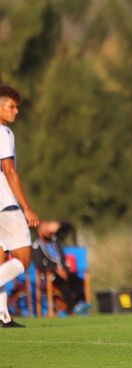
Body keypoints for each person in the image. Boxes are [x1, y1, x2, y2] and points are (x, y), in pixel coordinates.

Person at [0, 85, 40, 327]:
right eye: (11, 106)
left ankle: (2, 314)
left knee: (3, 259)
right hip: (5, 204)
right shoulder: (3, 133)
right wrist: (26, 207)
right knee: (24, 259)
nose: (16, 111)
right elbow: (9, 170)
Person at [32, 221, 88, 314]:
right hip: (49, 275)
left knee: (77, 280)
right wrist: (55, 269)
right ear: (40, 231)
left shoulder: (55, 241)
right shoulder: (36, 245)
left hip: (63, 270)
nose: (49, 233)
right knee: (63, 285)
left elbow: (65, 229)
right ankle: (72, 308)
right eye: (46, 230)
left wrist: (64, 270)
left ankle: (81, 304)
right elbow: (39, 265)